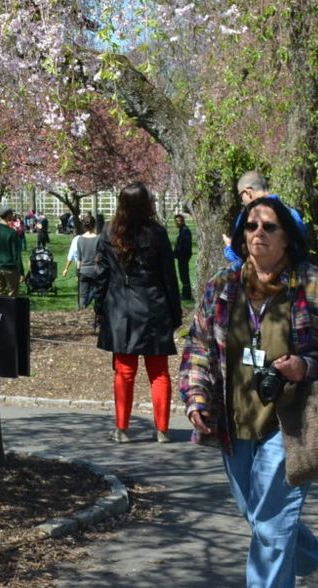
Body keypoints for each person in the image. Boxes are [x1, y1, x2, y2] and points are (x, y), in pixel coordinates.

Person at [179, 195, 318, 588]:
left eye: (269, 226)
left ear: (287, 237)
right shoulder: (223, 286)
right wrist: (196, 397)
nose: (258, 234)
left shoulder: (315, 286)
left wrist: (305, 366)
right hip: (234, 419)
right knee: (257, 515)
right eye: (251, 227)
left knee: (271, 528)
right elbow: (200, 345)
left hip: (291, 424)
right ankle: (315, 556)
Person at [97, 182, 182, 443]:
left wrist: (100, 310)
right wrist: (175, 311)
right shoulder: (156, 233)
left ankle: (122, 428)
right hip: (154, 305)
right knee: (159, 371)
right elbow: (169, 275)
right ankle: (162, 429)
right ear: (147, 203)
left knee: (124, 370)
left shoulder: (109, 232)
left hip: (121, 307)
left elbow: (100, 275)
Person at [0, 208, 26, 297]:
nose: (13, 215)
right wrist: (21, 272)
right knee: (13, 294)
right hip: (10, 268)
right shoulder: (11, 232)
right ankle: (11, 310)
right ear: (8, 215)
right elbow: (16, 254)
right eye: (11, 213)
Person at [64, 216, 99, 307]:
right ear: (94, 225)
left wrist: (78, 272)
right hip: (95, 270)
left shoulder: (79, 239)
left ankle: (82, 308)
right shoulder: (98, 239)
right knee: (97, 291)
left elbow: (79, 259)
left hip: (83, 270)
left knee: (82, 296)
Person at [173, 212, 195, 302]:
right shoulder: (183, 230)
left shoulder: (185, 231)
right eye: (176, 221)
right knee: (183, 275)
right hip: (181, 256)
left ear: (182, 221)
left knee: (184, 275)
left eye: (178, 221)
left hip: (183, 257)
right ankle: (185, 293)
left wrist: (177, 253)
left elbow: (183, 246)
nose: (177, 223)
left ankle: (187, 294)